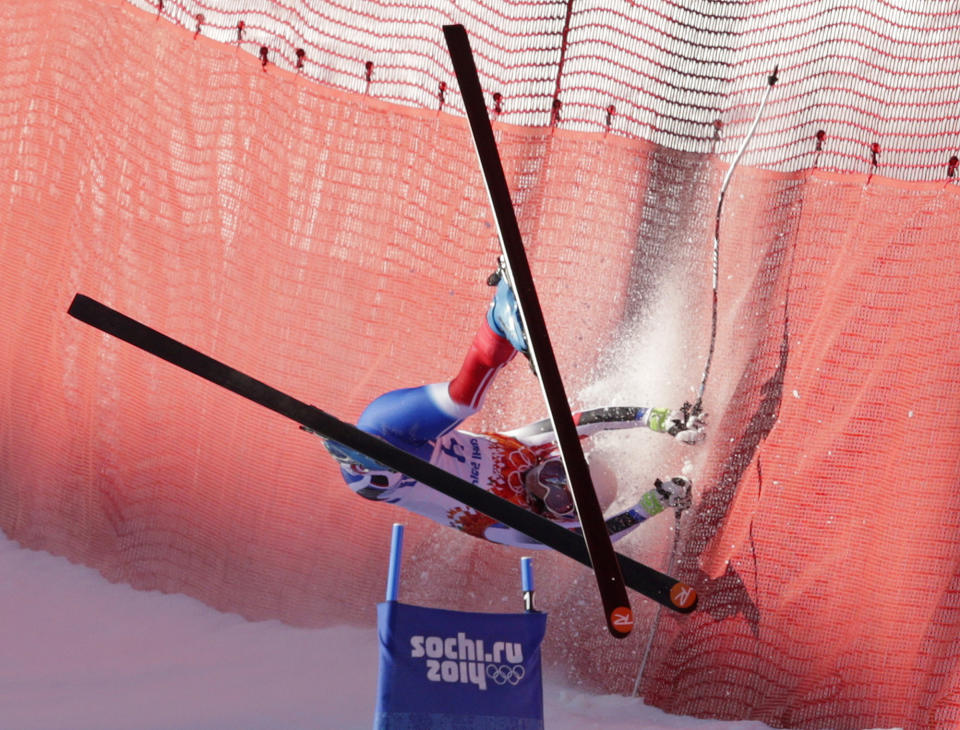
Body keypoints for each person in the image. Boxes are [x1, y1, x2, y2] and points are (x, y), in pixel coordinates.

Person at [323, 271, 706, 549]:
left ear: (559, 513)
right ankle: (500, 314)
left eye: (559, 498)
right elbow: (586, 421)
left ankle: (362, 454)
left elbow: (593, 537)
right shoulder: (529, 451)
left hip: (379, 478)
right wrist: (658, 419)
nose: (547, 480)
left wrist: (651, 505)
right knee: (464, 400)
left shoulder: (512, 526)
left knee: (453, 413)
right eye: (559, 471)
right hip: (392, 425)